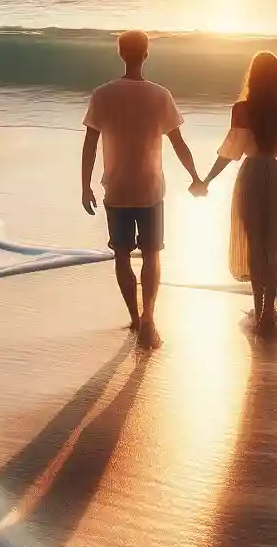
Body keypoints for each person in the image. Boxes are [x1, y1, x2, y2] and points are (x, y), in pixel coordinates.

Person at [81, 29, 205, 348]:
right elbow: (179, 143)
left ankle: (135, 319)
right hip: (151, 190)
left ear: (121, 54)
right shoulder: (159, 95)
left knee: (122, 255)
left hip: (117, 190)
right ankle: (149, 314)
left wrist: (85, 186)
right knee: (152, 255)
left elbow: (90, 145)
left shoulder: (102, 94)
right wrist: (196, 177)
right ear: (146, 55)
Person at [202, 50, 277, 337]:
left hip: (250, 177)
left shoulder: (241, 109)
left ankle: (259, 308)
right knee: (272, 247)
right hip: (275, 176)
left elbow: (230, 152)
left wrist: (207, 179)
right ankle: (268, 315)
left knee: (254, 244)